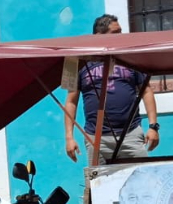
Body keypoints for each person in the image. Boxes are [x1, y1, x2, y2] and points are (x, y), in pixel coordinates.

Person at [64, 14, 159, 163]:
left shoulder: (131, 56)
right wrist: (69, 137)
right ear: (98, 36)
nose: (120, 37)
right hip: (96, 138)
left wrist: (153, 127)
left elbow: (146, 91)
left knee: (142, 180)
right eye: (115, 33)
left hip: (131, 134)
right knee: (100, 183)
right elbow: (70, 101)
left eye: (121, 33)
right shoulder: (73, 61)